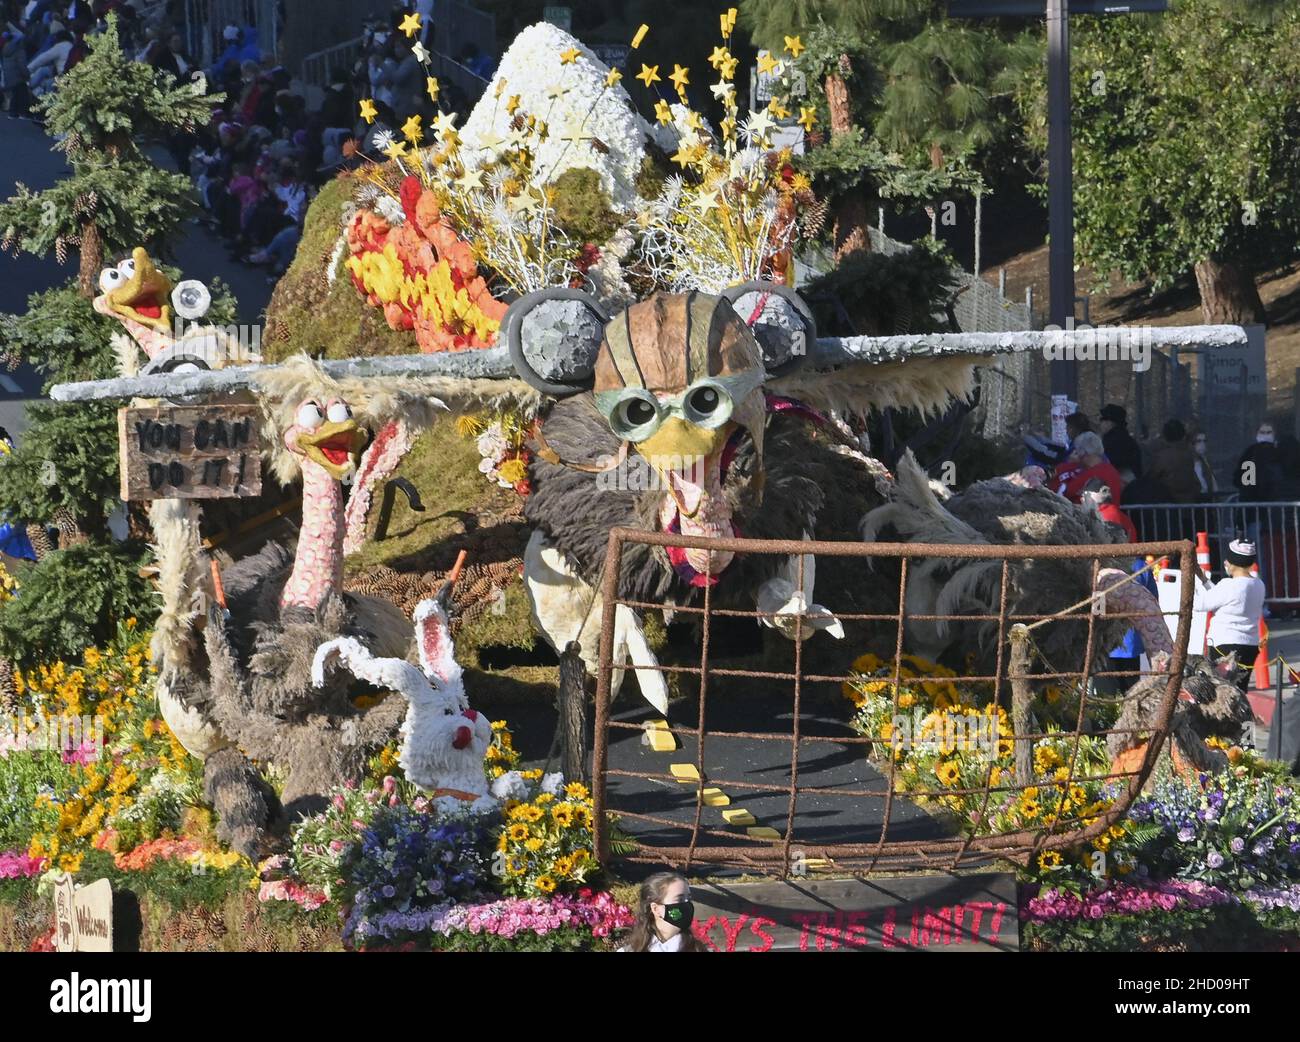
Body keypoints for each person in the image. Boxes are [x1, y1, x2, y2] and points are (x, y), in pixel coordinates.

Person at [1194, 539, 1265, 696]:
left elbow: (1200, 604)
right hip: (1249, 646)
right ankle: (1245, 721)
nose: (1225, 562)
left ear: (1233, 562)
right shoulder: (1259, 585)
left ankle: (1226, 721)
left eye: (1228, 559)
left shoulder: (1228, 585)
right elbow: (1221, 597)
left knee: (1222, 693)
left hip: (1224, 646)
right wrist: (1204, 580)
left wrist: (1194, 583)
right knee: (1240, 691)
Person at [620, 872, 705, 952]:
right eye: (679, 899)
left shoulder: (698, 949)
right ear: (656, 909)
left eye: (689, 899)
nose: (687, 904)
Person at [1054, 431, 1124, 504]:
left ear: (1084, 453)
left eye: (1077, 452)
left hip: (1093, 514)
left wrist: (1068, 464)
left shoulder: (1094, 473)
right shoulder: (1111, 470)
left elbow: (1067, 491)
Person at [1145, 419, 1201, 504]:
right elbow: (1196, 483)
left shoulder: (1162, 457)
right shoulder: (1188, 455)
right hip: (1189, 506)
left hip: (1168, 507)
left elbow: (1151, 478)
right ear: (1182, 435)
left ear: (1165, 436)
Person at [1099, 404, 1142, 482]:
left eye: (1103, 420)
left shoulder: (1114, 441)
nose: (1101, 423)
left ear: (1111, 422)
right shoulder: (1125, 439)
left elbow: (1110, 464)